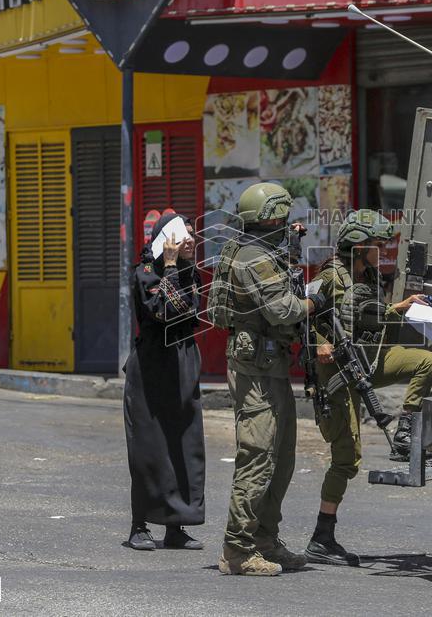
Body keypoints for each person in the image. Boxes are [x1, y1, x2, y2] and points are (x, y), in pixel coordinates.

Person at [304, 209, 432, 566]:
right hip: (337, 376)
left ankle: (406, 428)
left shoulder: (371, 278)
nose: (383, 251)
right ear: (360, 247)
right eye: (378, 245)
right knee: (347, 459)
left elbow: (370, 317)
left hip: (369, 363)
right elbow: (299, 316)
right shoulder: (330, 276)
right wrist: (319, 341)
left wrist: (403, 307)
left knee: (426, 361)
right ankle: (322, 537)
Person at [207, 182, 326, 577]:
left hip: (270, 368)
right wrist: (316, 299)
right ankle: (237, 551)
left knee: (282, 457)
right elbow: (282, 309)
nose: (288, 221)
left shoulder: (261, 251)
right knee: (257, 457)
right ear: (272, 216)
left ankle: (264, 539)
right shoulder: (252, 257)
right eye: (283, 215)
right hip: (255, 370)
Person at [122, 212, 206, 551]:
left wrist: (176, 270)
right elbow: (164, 311)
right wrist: (169, 267)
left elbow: (190, 310)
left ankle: (176, 527)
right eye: (182, 235)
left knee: (185, 446)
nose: (190, 241)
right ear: (165, 241)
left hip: (183, 364)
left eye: (192, 236)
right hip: (152, 366)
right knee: (149, 448)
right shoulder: (145, 274)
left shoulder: (191, 274)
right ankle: (138, 525)